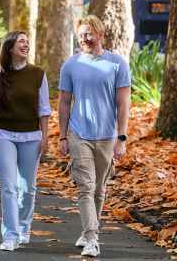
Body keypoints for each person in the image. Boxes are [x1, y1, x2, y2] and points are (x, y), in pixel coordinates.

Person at [58, 15, 131, 257]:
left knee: (100, 189)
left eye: (89, 34)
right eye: (81, 35)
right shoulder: (71, 65)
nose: (85, 39)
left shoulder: (117, 64)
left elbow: (123, 104)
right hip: (79, 133)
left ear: (100, 34)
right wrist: (63, 136)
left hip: (107, 136)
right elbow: (65, 102)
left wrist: (122, 138)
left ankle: (89, 230)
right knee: (85, 187)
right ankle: (91, 238)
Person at [0, 31, 51, 251]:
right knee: (9, 187)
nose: (26, 44)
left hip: (31, 136)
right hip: (3, 136)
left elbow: (44, 109)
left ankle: (24, 227)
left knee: (28, 187)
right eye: (21, 42)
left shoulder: (38, 74)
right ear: (9, 48)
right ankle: (10, 234)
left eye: (27, 42)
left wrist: (45, 137)